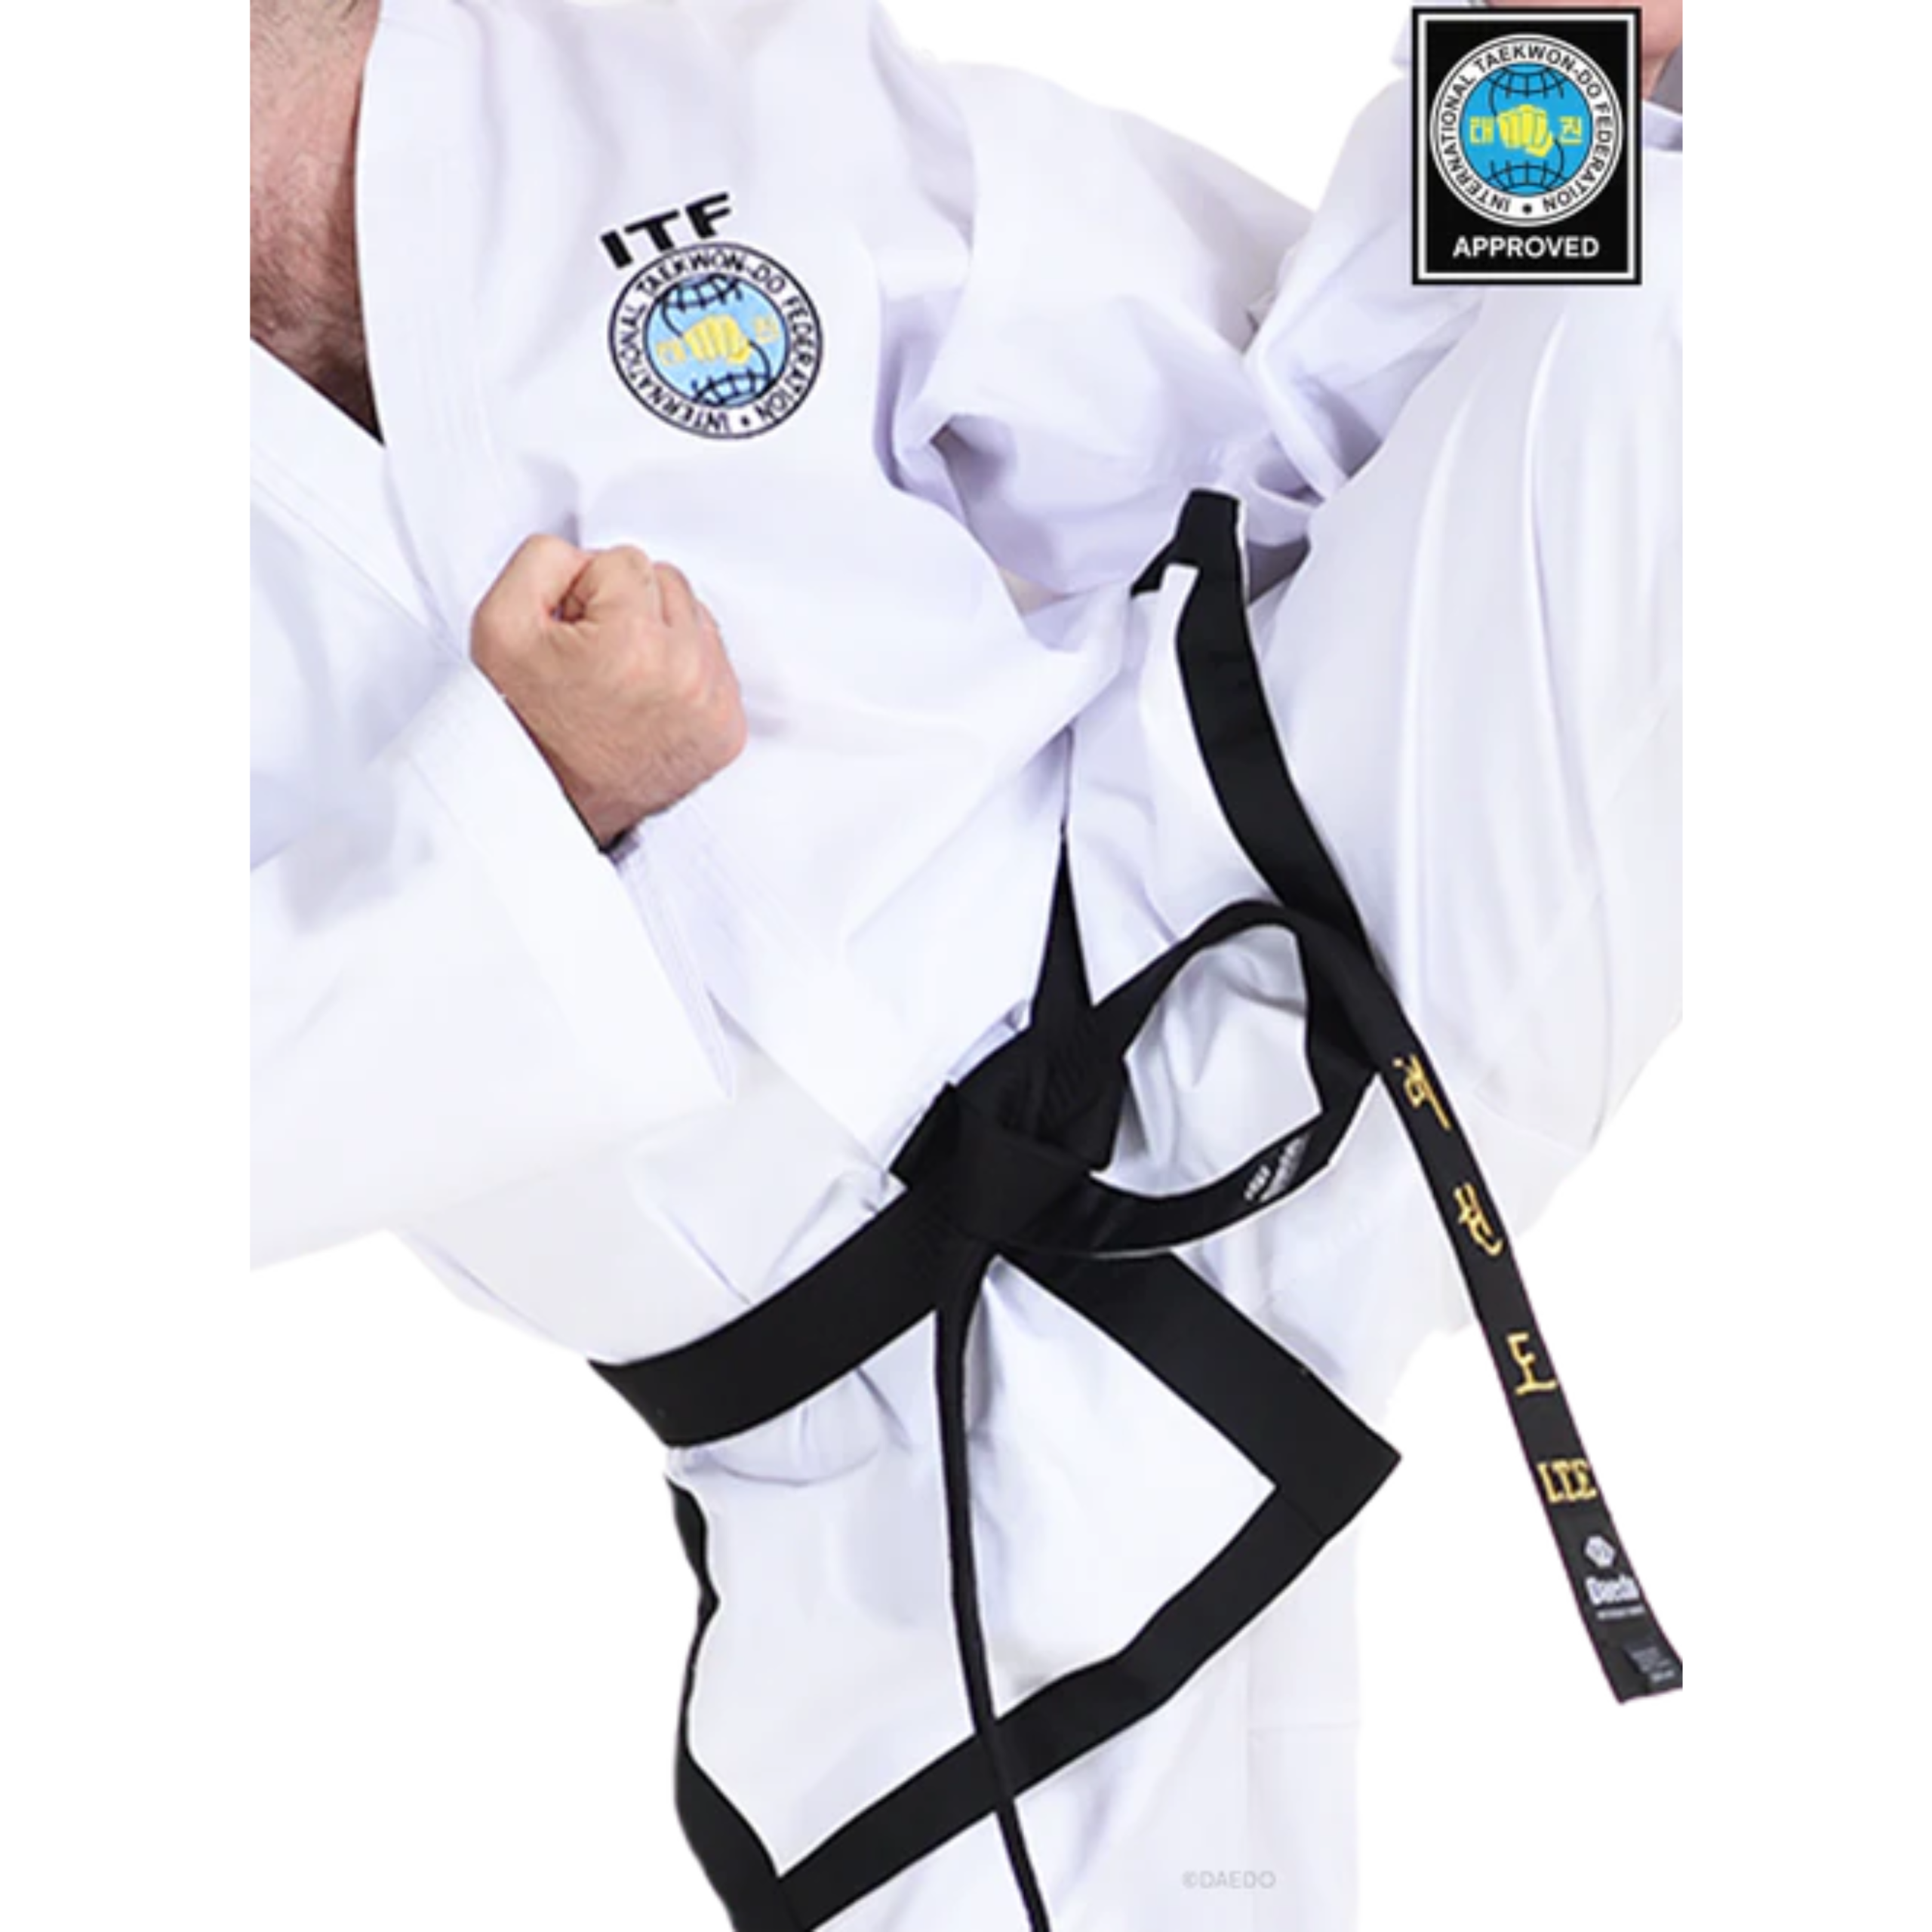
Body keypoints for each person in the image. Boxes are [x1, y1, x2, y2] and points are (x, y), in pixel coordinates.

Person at [251, 1, 1685, 1925]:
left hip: (1251, 932)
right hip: (891, 1479)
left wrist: (1548, 76)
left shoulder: (667, 68)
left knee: (1716, 201)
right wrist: (536, 800)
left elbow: (1269, 418)